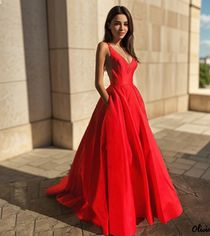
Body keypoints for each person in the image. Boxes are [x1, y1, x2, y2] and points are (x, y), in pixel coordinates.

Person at [46, 5, 183, 236]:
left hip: (133, 105)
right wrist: (112, 104)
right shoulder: (104, 47)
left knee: (138, 154)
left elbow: (130, 78)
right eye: (117, 23)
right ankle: (116, 203)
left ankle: (138, 200)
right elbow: (98, 82)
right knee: (116, 155)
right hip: (115, 104)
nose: (122, 27)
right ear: (109, 24)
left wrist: (134, 105)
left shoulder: (127, 49)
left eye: (126, 24)